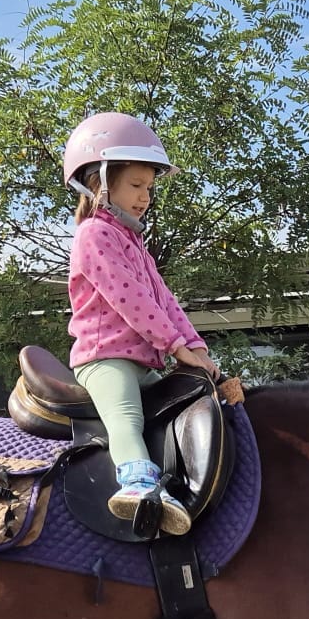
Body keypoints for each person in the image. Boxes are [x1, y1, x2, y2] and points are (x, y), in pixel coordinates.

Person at [62, 113, 220, 535]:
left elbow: (162, 299)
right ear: (98, 182)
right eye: (135, 185)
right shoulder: (93, 236)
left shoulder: (134, 242)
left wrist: (194, 343)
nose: (145, 196)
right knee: (126, 414)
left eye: (149, 188)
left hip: (142, 362)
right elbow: (129, 300)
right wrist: (173, 344)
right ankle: (137, 486)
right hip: (105, 357)